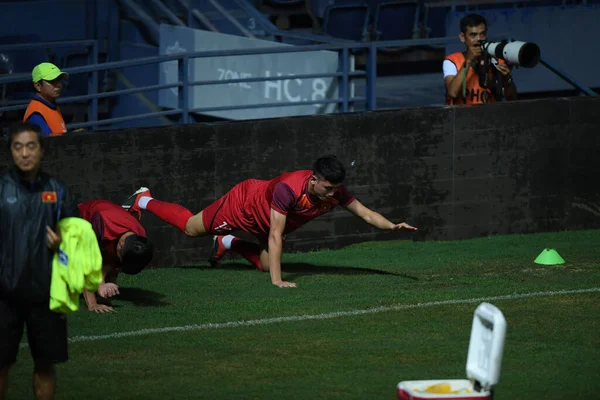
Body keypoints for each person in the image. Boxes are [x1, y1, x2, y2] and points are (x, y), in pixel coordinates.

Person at [122, 155, 418, 289]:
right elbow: (276, 235)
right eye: (327, 187)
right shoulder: (287, 188)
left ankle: (228, 243)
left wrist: (392, 226)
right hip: (243, 205)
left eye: (335, 189)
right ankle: (144, 200)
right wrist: (278, 281)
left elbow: (366, 214)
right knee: (190, 228)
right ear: (314, 180)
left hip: (267, 222)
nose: (332, 193)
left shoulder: (335, 191)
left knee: (265, 263)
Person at [0, 122, 79, 400]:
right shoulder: (1, 190)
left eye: (30, 146)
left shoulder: (58, 191)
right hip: (4, 296)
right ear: (11, 151)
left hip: (46, 295)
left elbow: (78, 242)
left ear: (42, 151)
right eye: (18, 147)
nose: (24, 153)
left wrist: (62, 243)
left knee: (45, 365)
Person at [77, 199, 154, 313]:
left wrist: (107, 285)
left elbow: (115, 262)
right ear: (121, 244)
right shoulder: (100, 223)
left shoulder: (139, 236)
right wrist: (93, 303)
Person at [443, 14, 517, 106]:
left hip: (490, 116)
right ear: (462, 37)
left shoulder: (496, 60)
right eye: (473, 35)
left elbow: (512, 99)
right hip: (461, 117)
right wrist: (468, 61)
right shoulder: (452, 61)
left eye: (482, 34)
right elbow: (452, 92)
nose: (479, 39)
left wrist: (507, 79)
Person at [22, 62, 68, 136]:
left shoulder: (51, 105)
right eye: (52, 81)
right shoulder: (36, 114)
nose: (58, 85)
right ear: (38, 86)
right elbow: (48, 143)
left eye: (59, 80)